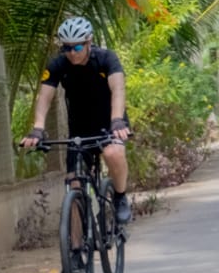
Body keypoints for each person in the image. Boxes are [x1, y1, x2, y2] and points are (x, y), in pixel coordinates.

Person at [20, 16, 134, 228]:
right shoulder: (59, 64)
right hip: (79, 127)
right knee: (74, 186)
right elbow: (44, 96)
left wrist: (118, 121)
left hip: (110, 123)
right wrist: (38, 129)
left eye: (78, 47)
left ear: (89, 42)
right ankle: (75, 250)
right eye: (67, 48)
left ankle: (119, 197)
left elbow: (118, 89)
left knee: (113, 153)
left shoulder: (106, 58)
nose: (72, 53)